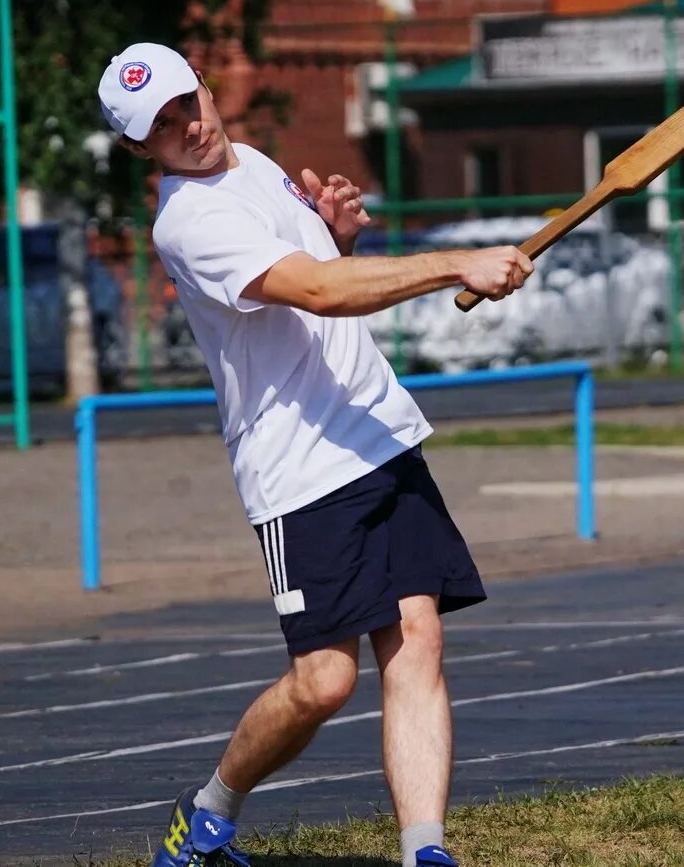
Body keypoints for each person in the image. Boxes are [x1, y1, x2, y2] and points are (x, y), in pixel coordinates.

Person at [97, 43, 533, 867]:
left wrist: (333, 237)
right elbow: (320, 293)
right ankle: (208, 811)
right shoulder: (189, 220)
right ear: (137, 149)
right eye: (160, 125)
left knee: (418, 642)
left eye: (188, 101)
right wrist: (455, 263)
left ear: (203, 84)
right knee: (324, 680)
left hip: (377, 431)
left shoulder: (252, 162)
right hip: (301, 472)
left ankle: (424, 849)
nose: (187, 126)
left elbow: (320, 277)